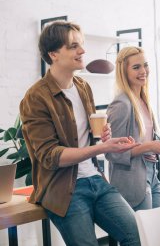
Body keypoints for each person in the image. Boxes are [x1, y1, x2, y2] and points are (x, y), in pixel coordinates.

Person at [19, 20, 141, 246]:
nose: (82, 51)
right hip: (65, 189)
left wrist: (103, 137)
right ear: (53, 54)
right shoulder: (36, 97)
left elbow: (87, 138)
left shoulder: (83, 86)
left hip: (95, 179)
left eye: (81, 44)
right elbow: (50, 156)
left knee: (138, 236)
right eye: (73, 46)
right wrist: (101, 147)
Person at [106, 46, 160, 211]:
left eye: (145, 65)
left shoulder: (143, 100)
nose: (143, 71)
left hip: (151, 173)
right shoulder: (121, 104)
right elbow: (112, 152)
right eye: (136, 67)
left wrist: (159, 140)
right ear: (124, 72)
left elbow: (142, 136)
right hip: (133, 178)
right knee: (143, 233)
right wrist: (149, 147)